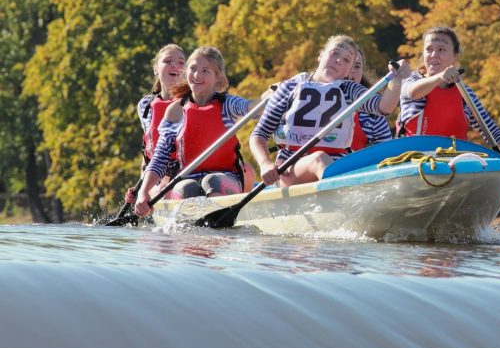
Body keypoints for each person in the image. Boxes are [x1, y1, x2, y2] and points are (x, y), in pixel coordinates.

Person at [250, 35, 409, 186]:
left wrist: (397, 79)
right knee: (319, 159)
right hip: (290, 169)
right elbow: (259, 134)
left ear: (349, 71)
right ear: (320, 55)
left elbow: (384, 107)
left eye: (346, 60)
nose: (338, 60)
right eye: (334, 53)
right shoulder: (289, 87)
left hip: (336, 166)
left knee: (327, 161)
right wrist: (265, 163)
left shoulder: (349, 90)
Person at [134, 46, 266, 217]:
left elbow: (251, 109)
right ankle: (193, 229)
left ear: (217, 77)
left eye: (205, 71)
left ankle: (219, 224)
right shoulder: (175, 111)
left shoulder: (227, 104)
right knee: (186, 188)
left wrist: (268, 97)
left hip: (226, 176)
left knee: (212, 181)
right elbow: (160, 158)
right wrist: (143, 191)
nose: (197, 75)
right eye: (193, 69)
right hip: (187, 178)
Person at [398, 26, 500, 164]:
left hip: (456, 163)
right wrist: (440, 77)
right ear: (423, 55)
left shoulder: (465, 93)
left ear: (455, 57)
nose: (434, 54)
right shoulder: (411, 80)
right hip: (415, 161)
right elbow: (413, 92)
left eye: (441, 50)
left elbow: (492, 131)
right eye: (429, 49)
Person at [124, 44, 186, 204]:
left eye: (181, 62)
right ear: (156, 69)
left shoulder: (194, 102)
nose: (175, 65)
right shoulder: (145, 106)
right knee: (160, 187)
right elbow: (149, 150)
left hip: (186, 170)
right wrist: (140, 186)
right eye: (168, 61)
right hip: (158, 176)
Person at [348, 47, 394, 150]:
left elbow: (386, 151)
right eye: (346, 62)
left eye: (357, 66)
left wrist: (396, 80)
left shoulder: (373, 115)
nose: (351, 70)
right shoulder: (313, 94)